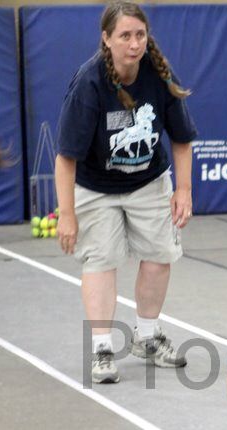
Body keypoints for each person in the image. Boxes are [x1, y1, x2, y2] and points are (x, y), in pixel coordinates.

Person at [55, 1, 197, 384]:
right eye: (124, 36)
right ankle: (102, 348)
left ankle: (147, 338)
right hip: (95, 186)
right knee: (101, 260)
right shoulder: (89, 83)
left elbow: (182, 139)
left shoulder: (157, 75)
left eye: (139, 35)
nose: (134, 44)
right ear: (106, 39)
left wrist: (182, 189)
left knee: (158, 256)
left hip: (147, 182)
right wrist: (66, 213)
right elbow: (65, 158)